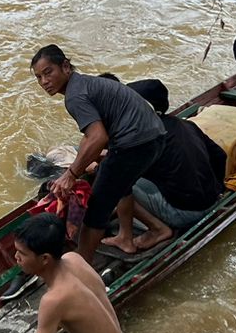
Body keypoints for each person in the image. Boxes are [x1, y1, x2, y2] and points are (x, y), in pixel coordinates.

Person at [30, 44, 165, 262]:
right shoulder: (85, 84)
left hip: (134, 143)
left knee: (96, 210)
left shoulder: (74, 95)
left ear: (65, 66)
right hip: (154, 136)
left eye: (48, 73)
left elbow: (97, 137)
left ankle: (81, 266)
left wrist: (71, 174)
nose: (44, 82)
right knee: (119, 185)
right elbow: (97, 135)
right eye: (38, 77)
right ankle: (128, 238)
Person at [122, 78, 227, 248]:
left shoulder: (145, 138)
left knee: (115, 181)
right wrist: (218, 189)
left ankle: (157, 230)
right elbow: (220, 155)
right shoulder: (185, 124)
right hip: (212, 200)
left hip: (183, 214)